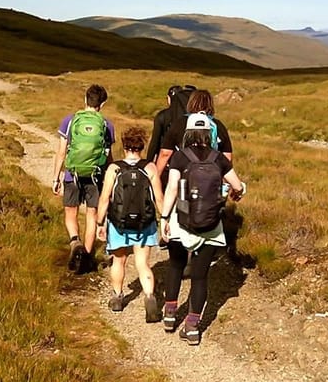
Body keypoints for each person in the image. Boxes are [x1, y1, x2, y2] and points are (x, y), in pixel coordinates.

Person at [157, 114, 247, 345]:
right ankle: (193, 327)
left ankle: (169, 314)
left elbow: (172, 189)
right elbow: (237, 186)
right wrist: (239, 190)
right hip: (210, 225)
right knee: (200, 277)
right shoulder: (219, 159)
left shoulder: (180, 157)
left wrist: (164, 217)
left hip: (181, 222)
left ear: (187, 133)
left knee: (176, 266)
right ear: (210, 134)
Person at [94, 125, 164, 322]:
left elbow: (105, 198)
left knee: (119, 260)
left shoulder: (114, 168)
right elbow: (158, 198)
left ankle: (117, 297)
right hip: (145, 224)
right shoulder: (149, 167)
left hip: (118, 224)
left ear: (124, 146)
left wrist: (100, 223)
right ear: (142, 145)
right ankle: (150, 297)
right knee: (142, 263)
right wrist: (165, 219)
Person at [52, 84, 114, 274]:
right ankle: (86, 258)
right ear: (102, 104)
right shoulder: (106, 125)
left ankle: (74, 242)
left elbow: (62, 152)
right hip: (96, 175)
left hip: (73, 174)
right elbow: (108, 155)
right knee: (92, 215)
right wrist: (110, 177)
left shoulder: (69, 121)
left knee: (71, 213)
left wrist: (56, 177)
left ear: (85, 99)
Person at [155, 88, 232, 172]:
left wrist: (156, 178)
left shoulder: (179, 124)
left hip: (185, 174)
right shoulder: (218, 125)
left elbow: (165, 154)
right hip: (211, 175)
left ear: (191, 103)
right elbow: (227, 157)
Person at [146, 84, 195, 165]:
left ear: (169, 98)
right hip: (189, 160)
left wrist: (148, 163)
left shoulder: (162, 116)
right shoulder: (194, 117)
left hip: (166, 161)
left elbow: (155, 143)